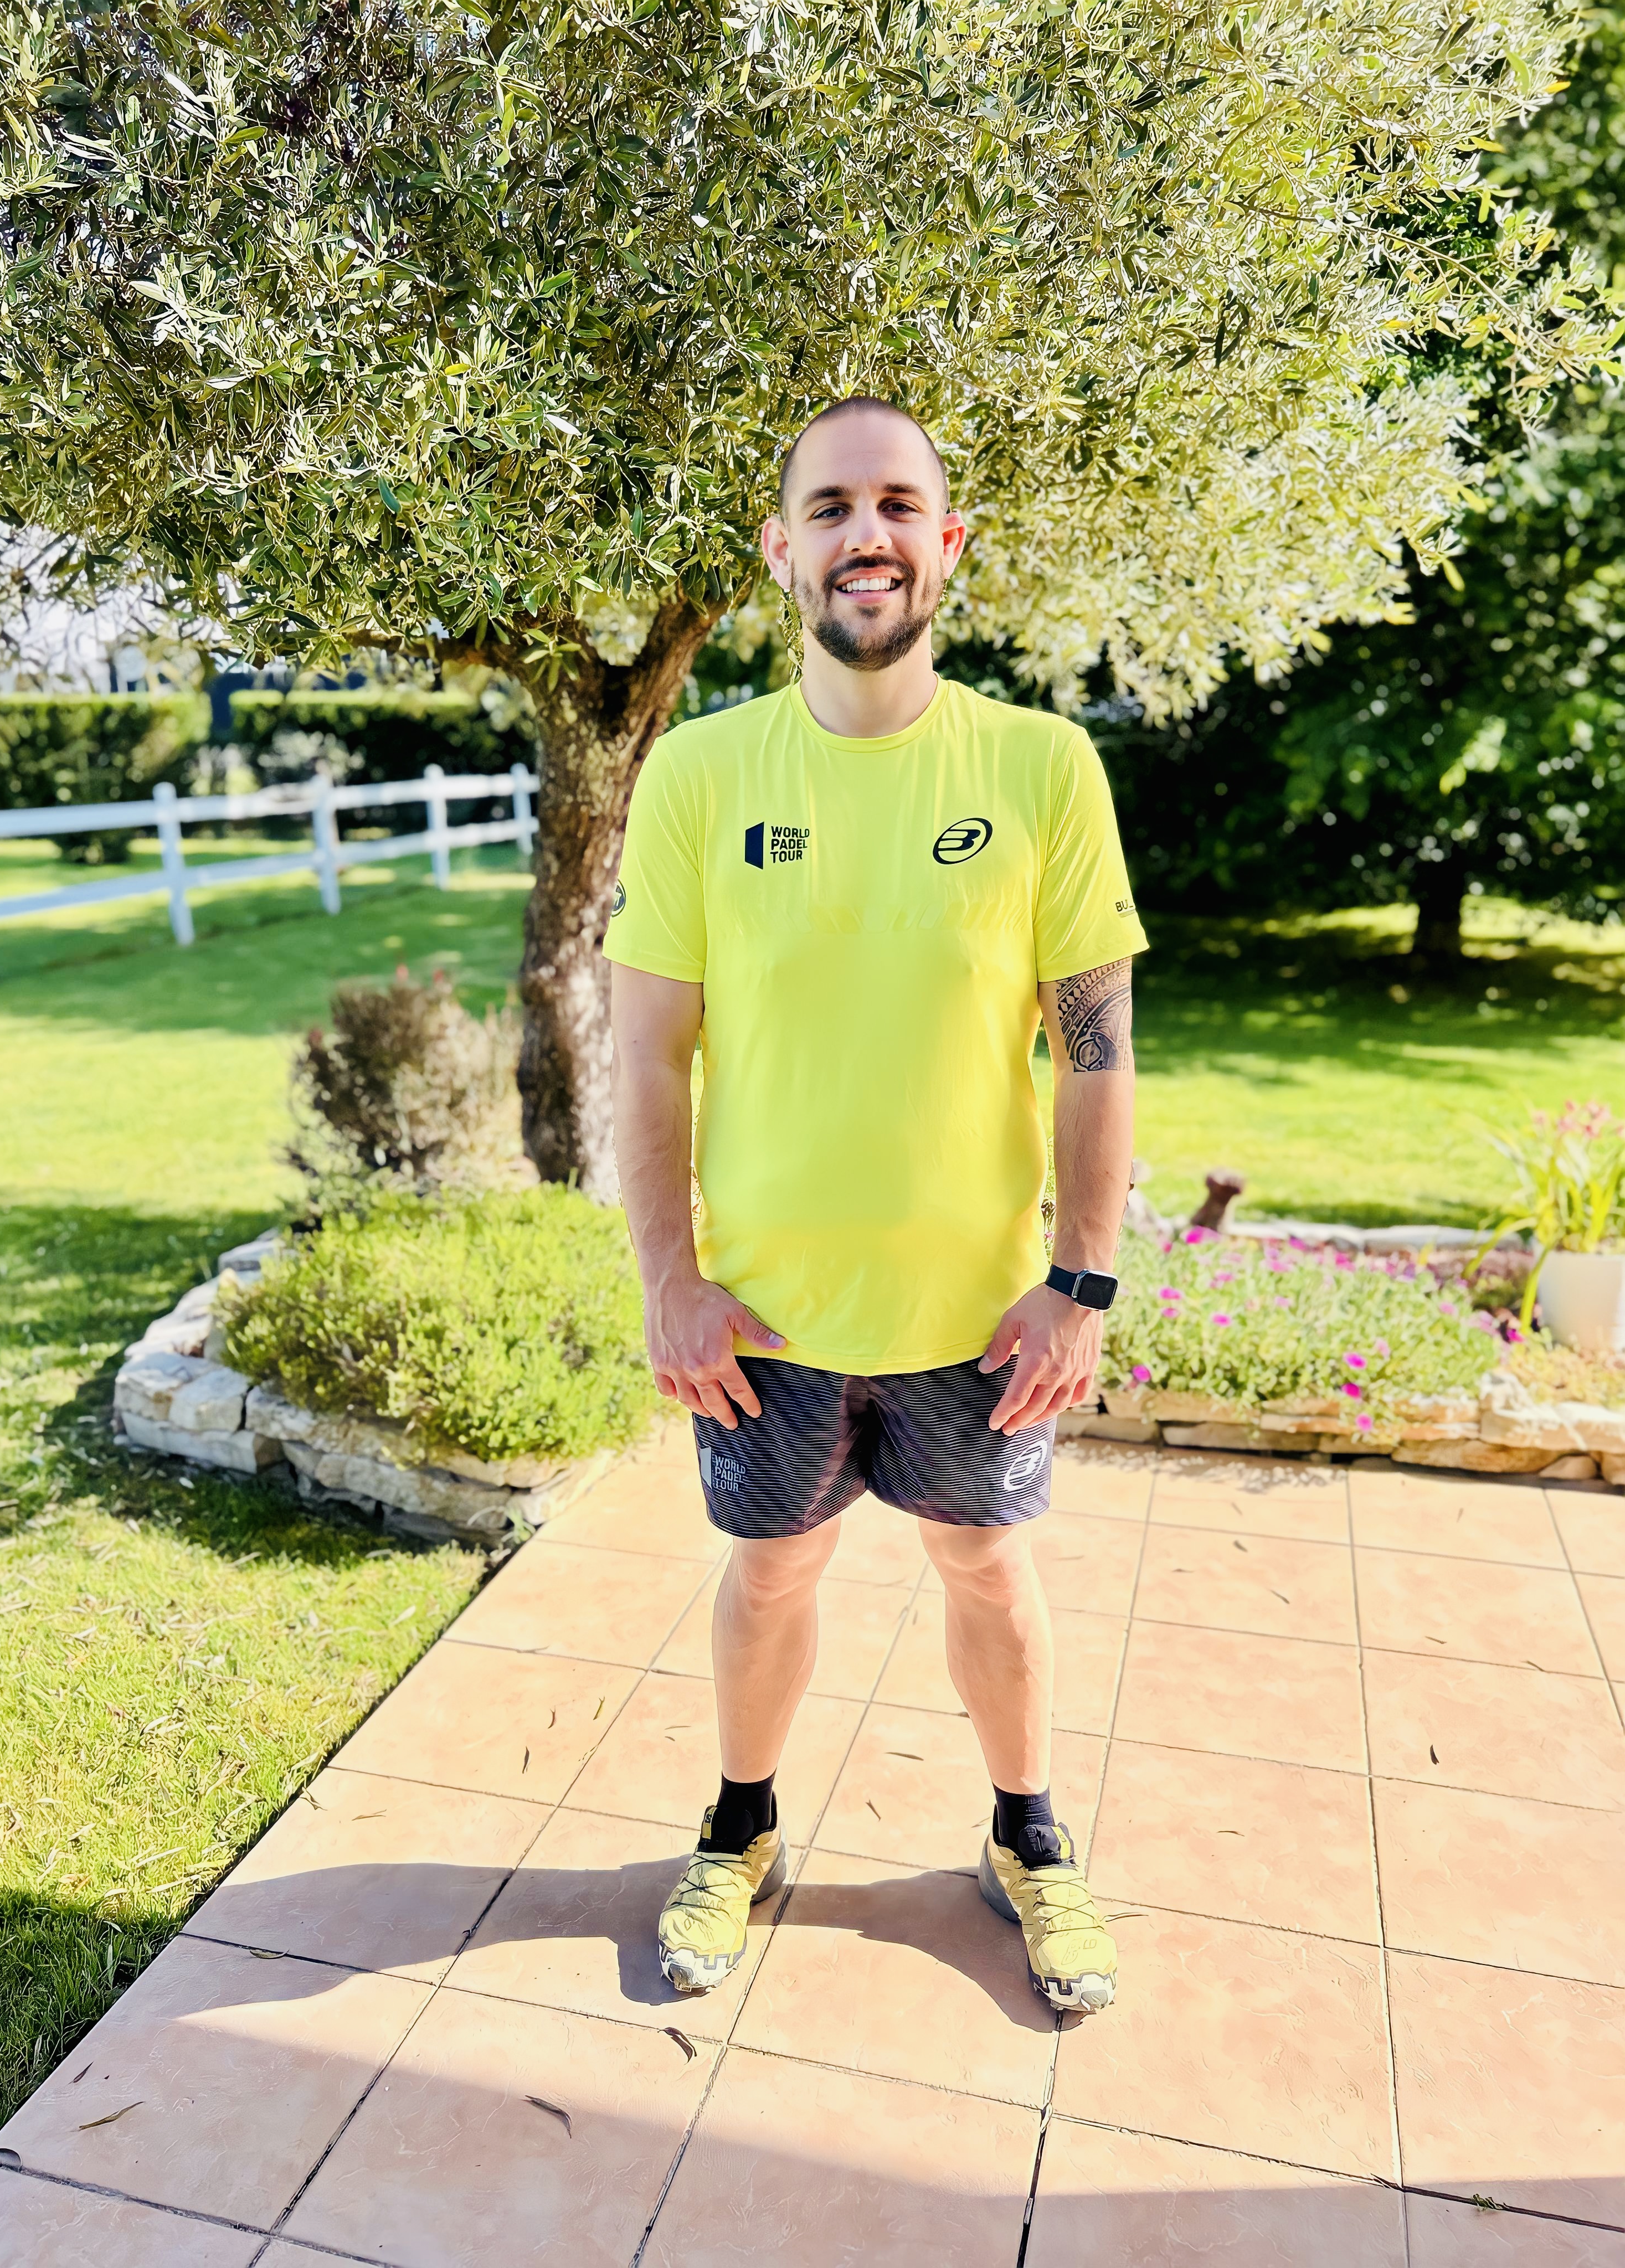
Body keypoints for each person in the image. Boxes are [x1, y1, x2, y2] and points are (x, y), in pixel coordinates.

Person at [605, 396, 1145, 2013]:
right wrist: (670, 1279)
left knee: (987, 1565)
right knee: (772, 1575)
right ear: (782, 549)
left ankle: (1030, 1839)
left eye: (901, 504)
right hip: (767, 1321)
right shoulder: (700, 773)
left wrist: (1082, 1283)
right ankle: (742, 1828)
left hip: (981, 1318)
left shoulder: (1040, 767)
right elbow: (648, 1056)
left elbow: (1097, 1051)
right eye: (833, 507)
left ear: (946, 544)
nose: (869, 535)